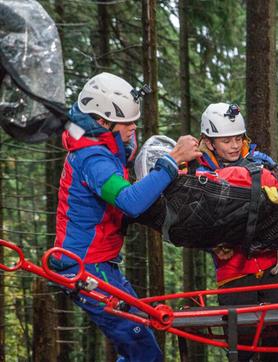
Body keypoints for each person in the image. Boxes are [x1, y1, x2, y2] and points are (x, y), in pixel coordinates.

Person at [52, 72, 201, 361]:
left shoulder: (100, 150)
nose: (134, 128)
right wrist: (170, 162)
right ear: (103, 122)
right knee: (142, 349)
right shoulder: (92, 159)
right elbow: (129, 202)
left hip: (99, 265)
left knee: (138, 345)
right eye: (128, 123)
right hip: (86, 268)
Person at [197, 102, 278, 362]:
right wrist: (211, 244)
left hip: (274, 265)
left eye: (237, 138)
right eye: (226, 140)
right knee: (241, 344)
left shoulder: (261, 164)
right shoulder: (201, 175)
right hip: (235, 271)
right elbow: (194, 223)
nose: (233, 144)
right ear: (209, 142)